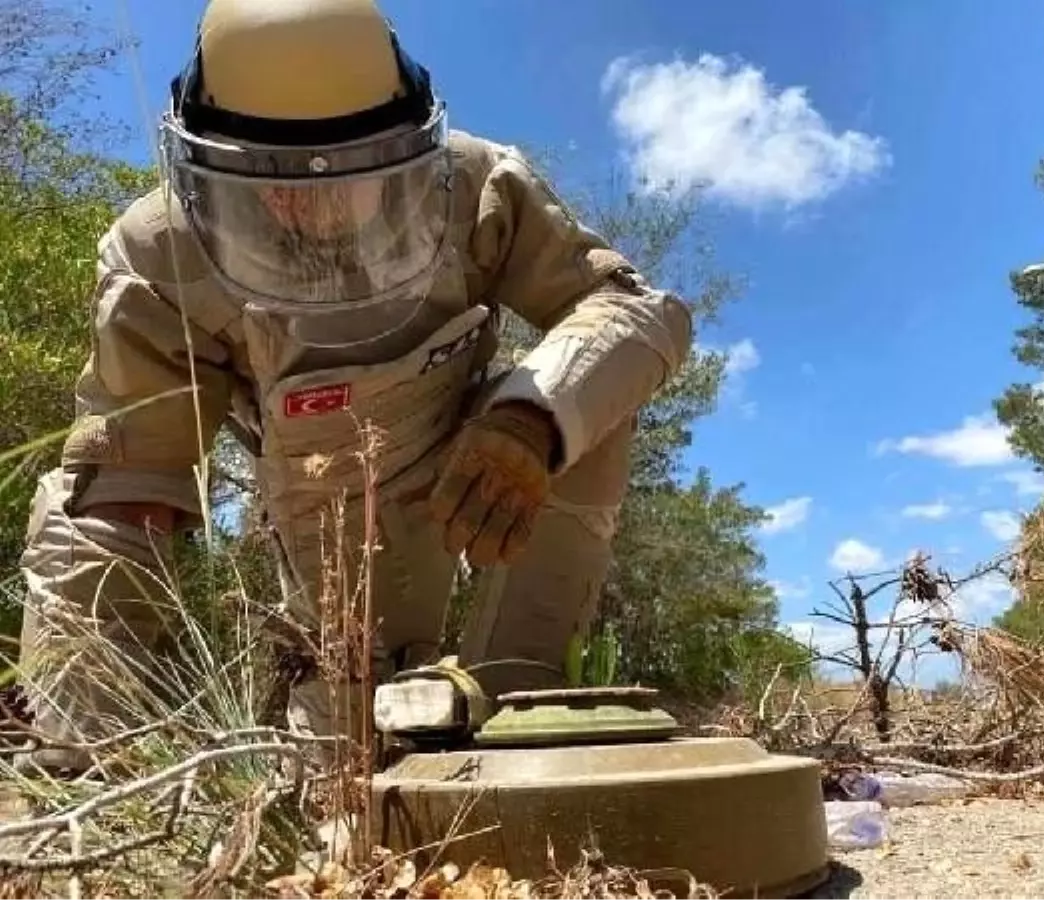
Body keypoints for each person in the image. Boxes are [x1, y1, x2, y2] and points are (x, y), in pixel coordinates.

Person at [14, 0, 693, 774]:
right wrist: (88, 750)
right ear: (202, 159)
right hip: (315, 536)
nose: (311, 204)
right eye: (267, 177)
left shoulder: (479, 187)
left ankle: (521, 711)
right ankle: (86, 772)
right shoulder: (159, 251)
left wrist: (528, 423)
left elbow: (632, 311)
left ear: (414, 139)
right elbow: (133, 488)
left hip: (469, 472)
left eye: (350, 171)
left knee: (584, 399)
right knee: (336, 776)